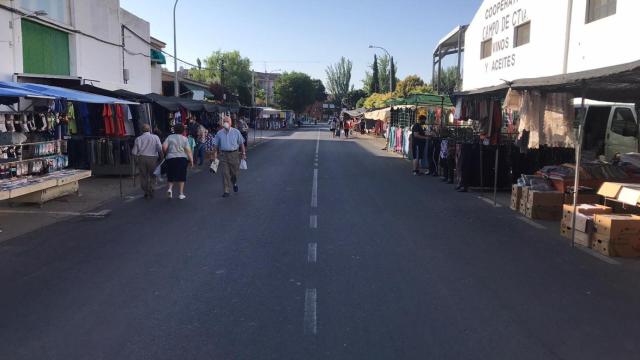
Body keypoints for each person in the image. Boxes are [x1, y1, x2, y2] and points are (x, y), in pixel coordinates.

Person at [212, 116, 247, 198]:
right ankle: (226, 190)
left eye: (227, 121)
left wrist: (244, 153)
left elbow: (241, 143)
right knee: (225, 173)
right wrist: (214, 156)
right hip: (224, 155)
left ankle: (234, 183)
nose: (225, 123)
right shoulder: (219, 133)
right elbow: (215, 145)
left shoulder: (236, 132)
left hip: (234, 154)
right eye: (224, 121)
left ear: (231, 122)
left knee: (234, 173)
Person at [131, 124, 163, 198]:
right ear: (150, 129)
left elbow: (134, 152)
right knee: (153, 175)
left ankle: (146, 190)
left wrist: (136, 161)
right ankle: (151, 188)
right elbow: (159, 148)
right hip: (153, 158)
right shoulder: (155, 137)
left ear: (142, 130)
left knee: (143, 176)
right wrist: (161, 158)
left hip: (142, 158)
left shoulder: (138, 139)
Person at [163, 124, 193, 200]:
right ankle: (181, 193)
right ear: (183, 130)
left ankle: (170, 189)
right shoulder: (184, 138)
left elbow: (164, 147)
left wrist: (166, 153)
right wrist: (191, 160)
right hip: (182, 158)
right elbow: (188, 151)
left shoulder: (169, 137)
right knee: (181, 176)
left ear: (174, 129)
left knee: (171, 174)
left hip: (171, 158)